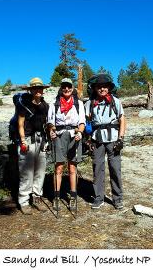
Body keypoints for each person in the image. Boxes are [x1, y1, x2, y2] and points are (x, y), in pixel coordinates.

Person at [85, 74, 126, 210]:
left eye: (104, 86)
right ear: (95, 88)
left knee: (115, 169)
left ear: (109, 88)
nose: (102, 89)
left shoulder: (115, 101)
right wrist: (88, 139)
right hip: (97, 140)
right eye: (99, 87)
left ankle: (117, 198)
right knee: (97, 169)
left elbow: (122, 120)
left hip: (113, 139)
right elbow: (87, 122)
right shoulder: (90, 103)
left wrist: (121, 138)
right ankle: (98, 198)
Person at [47, 78, 85, 212]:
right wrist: (51, 130)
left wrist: (80, 132)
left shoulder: (79, 103)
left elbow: (82, 122)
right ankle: (56, 197)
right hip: (59, 135)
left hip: (74, 135)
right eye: (64, 87)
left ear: (73, 88)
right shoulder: (54, 103)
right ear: (61, 88)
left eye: (69, 86)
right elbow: (50, 122)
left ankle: (73, 197)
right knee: (58, 167)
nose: (67, 89)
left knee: (72, 167)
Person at [17, 77, 50, 215]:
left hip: (41, 139)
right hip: (28, 140)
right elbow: (20, 124)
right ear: (30, 90)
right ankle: (24, 201)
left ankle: (37, 198)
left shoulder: (45, 105)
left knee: (40, 171)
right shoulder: (24, 104)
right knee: (26, 172)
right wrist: (23, 140)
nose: (38, 90)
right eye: (35, 88)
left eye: (40, 88)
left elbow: (47, 123)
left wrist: (48, 138)